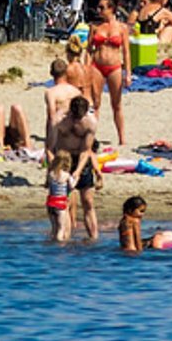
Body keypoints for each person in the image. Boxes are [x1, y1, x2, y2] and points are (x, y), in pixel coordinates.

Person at [54, 95, 101, 240]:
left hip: (81, 158)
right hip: (64, 157)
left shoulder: (90, 123)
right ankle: (65, 236)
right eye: (75, 116)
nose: (77, 121)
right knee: (64, 202)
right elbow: (52, 143)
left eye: (79, 117)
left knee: (87, 201)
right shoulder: (60, 119)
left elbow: (86, 150)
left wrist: (78, 171)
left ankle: (93, 238)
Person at [88, 0, 131, 145]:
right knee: (95, 103)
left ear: (111, 9)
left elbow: (126, 52)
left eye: (102, 8)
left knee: (116, 103)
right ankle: (91, 136)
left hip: (115, 67)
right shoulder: (95, 27)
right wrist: (86, 68)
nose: (99, 11)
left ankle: (122, 138)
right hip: (97, 66)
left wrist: (128, 74)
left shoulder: (122, 28)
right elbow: (89, 50)